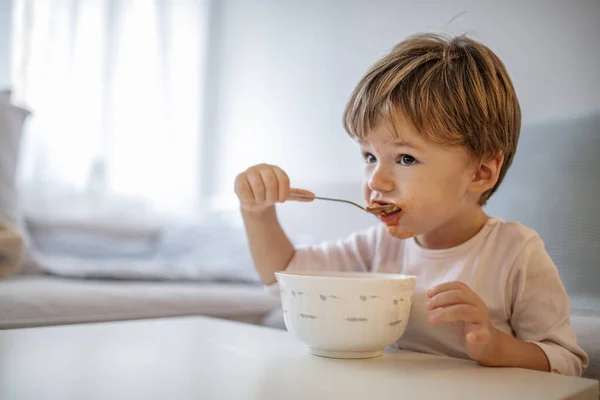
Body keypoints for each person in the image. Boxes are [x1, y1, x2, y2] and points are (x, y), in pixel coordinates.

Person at [233, 33, 588, 376]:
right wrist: (257, 212)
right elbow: (285, 279)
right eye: (369, 156)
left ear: (480, 172)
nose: (375, 181)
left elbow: (566, 361)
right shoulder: (377, 247)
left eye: (405, 158)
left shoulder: (516, 254)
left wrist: (496, 347)